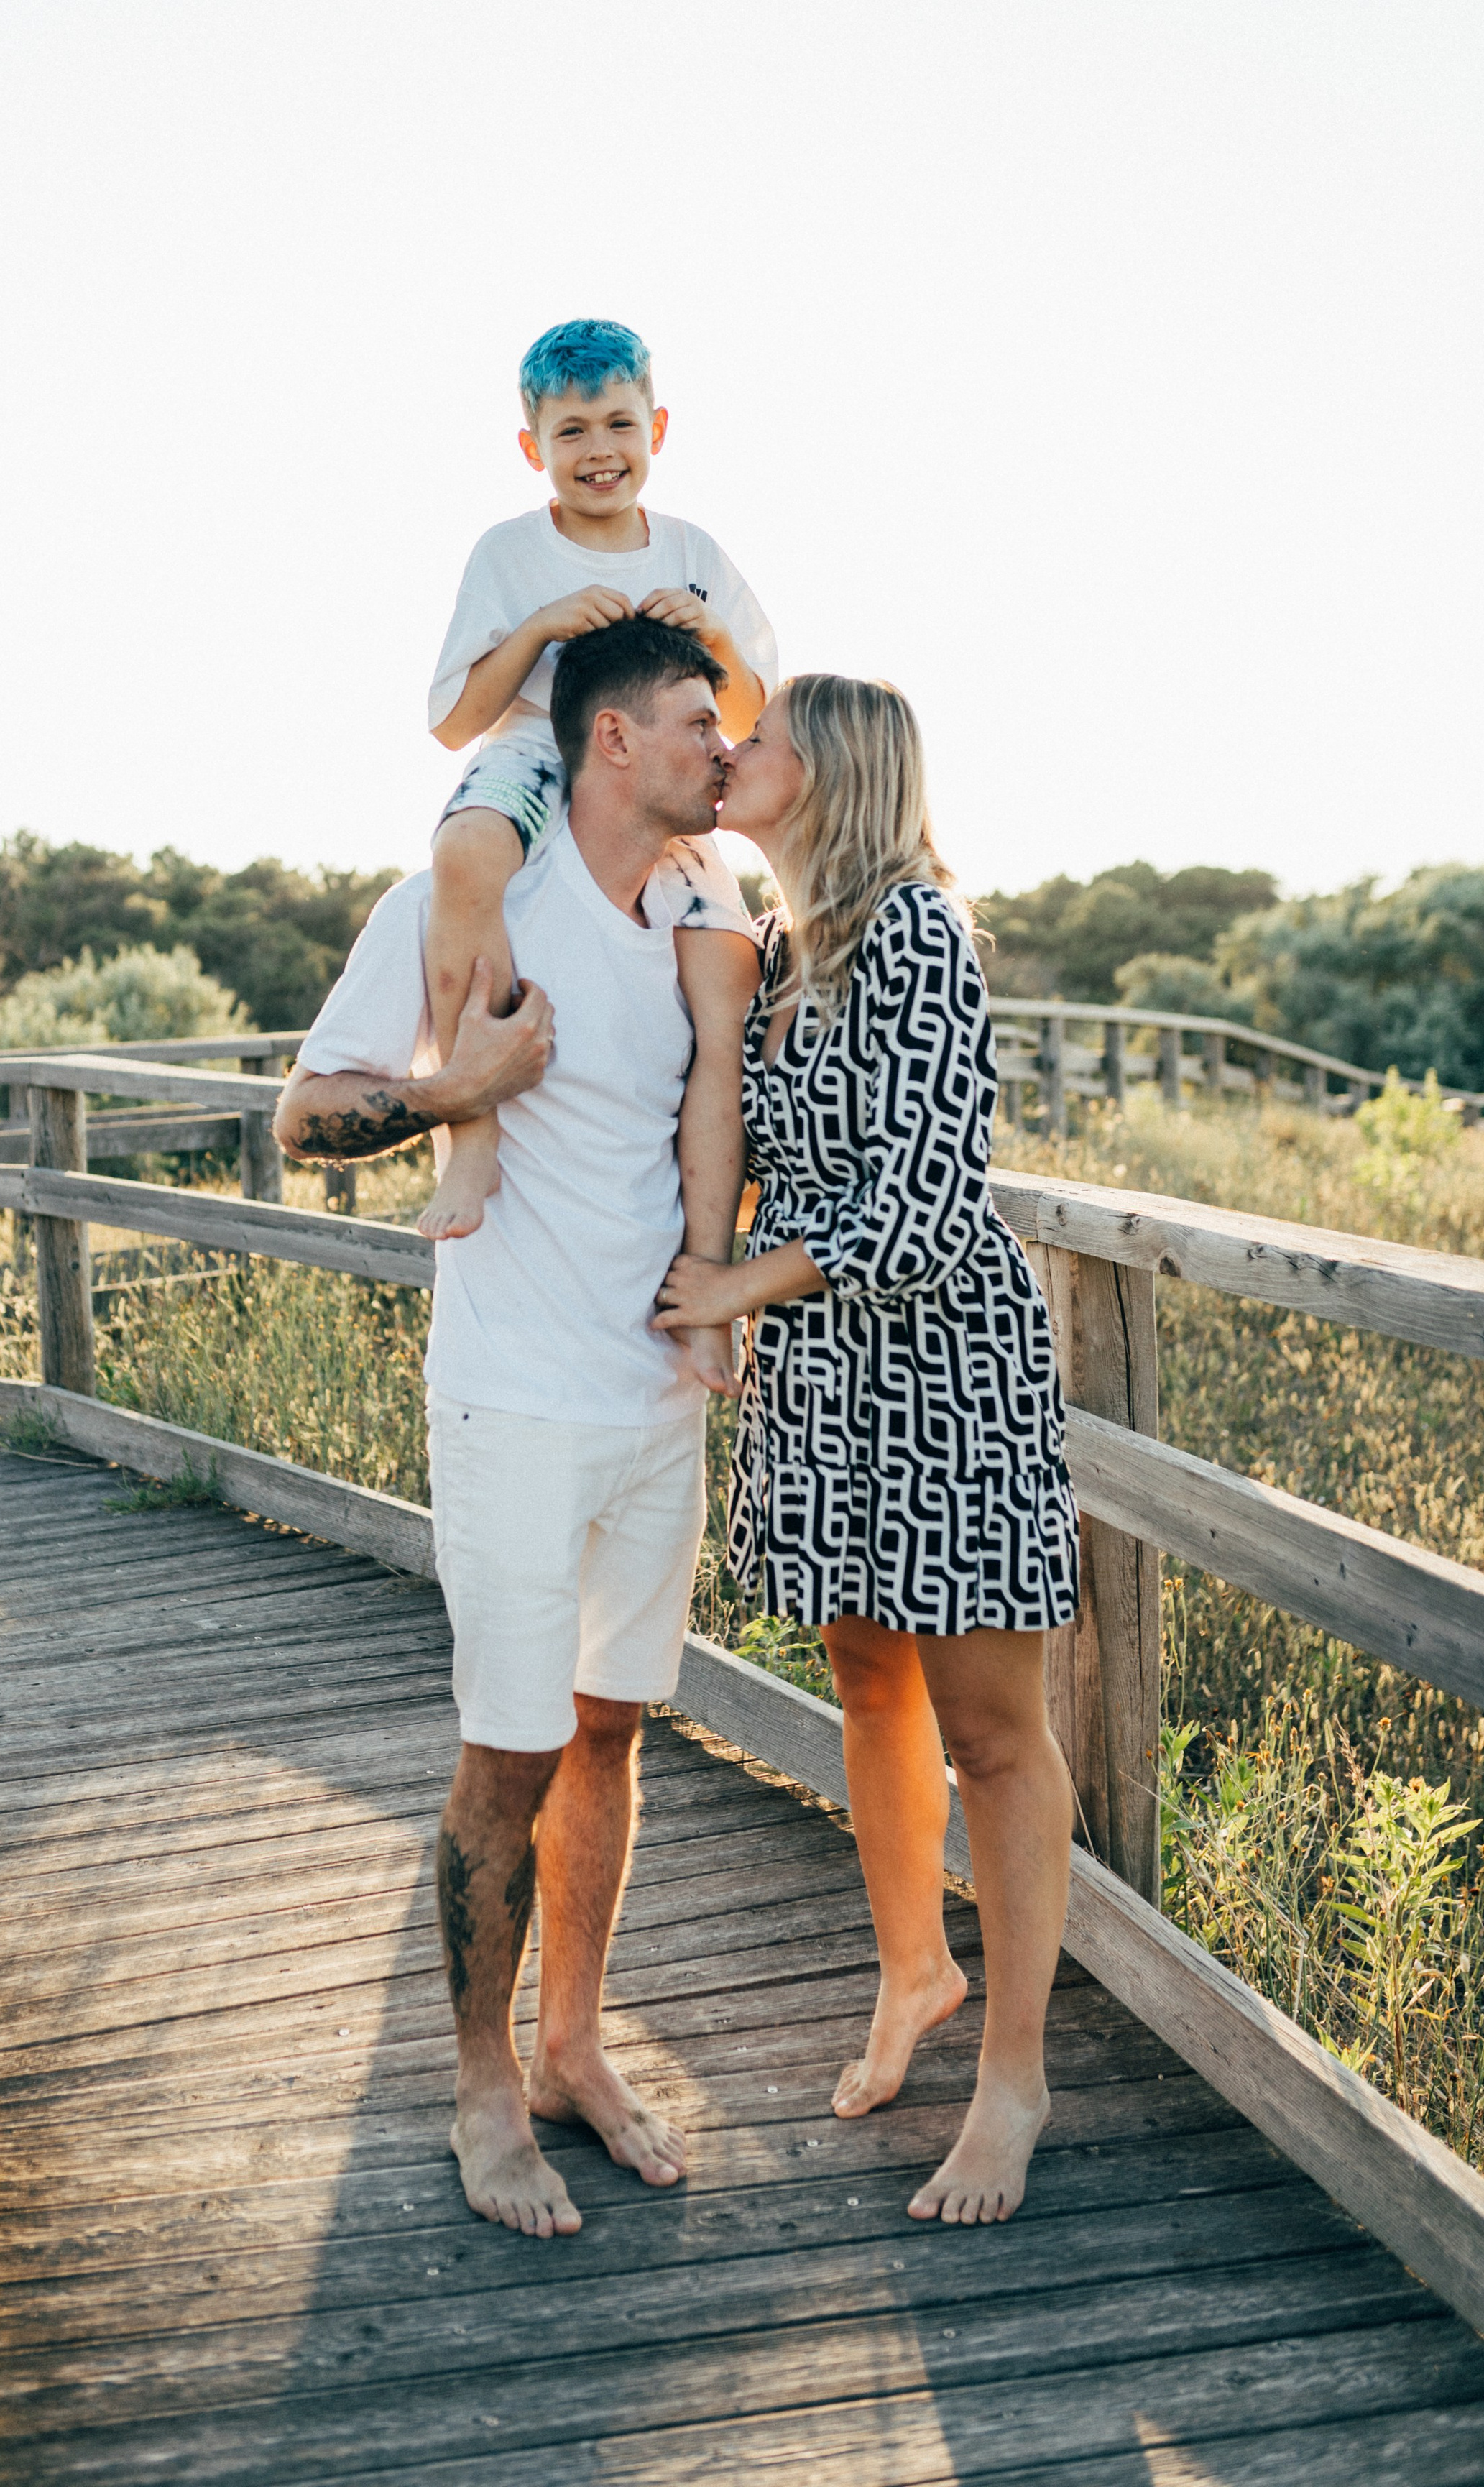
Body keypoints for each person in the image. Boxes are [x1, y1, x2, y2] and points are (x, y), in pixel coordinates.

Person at [274, 620, 740, 2240]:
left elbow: (710, 1114)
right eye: (696, 726)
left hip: (652, 1408)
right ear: (609, 742)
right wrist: (452, 1088)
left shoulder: (693, 909)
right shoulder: (462, 909)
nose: (720, 752)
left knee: (610, 1738)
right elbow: (303, 1117)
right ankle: (480, 2090)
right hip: (514, 1406)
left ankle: (568, 2052)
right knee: (507, 1756)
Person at [653, 675, 1082, 2227]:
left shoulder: (915, 931)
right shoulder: (780, 950)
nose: (725, 753)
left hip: (944, 1366)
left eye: (750, 739)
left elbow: (925, 1197)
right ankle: (914, 1969)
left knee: (989, 1729)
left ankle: (1014, 2079)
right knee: (861, 1668)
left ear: (825, 771)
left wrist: (735, 1282)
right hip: (832, 1372)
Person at [418, 318, 772, 1410]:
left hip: (664, 770)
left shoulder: (696, 552)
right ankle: (471, 1134)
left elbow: (753, 706)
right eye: (571, 430)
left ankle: (709, 1279)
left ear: (656, 428)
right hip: (539, 744)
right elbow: (452, 721)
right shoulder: (508, 552)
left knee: (728, 973)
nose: (598, 447)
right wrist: (538, 629)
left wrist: (702, 641)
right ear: (534, 445)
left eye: (619, 422)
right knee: (468, 850)